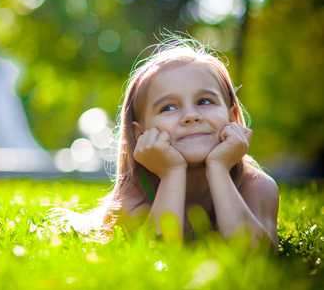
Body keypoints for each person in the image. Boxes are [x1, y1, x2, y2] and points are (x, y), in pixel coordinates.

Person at [54, 33, 279, 249]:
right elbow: (156, 256)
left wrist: (219, 168)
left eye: (205, 101)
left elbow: (256, 254)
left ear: (231, 117)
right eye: (168, 107)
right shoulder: (135, 194)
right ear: (139, 134)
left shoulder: (256, 186)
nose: (191, 116)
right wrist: (172, 172)